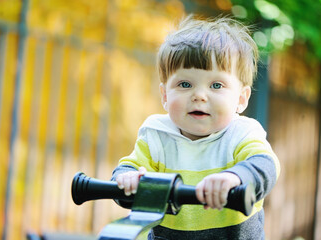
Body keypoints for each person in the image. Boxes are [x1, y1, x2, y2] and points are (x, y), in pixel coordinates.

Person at [111, 15, 280, 240]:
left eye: (216, 85)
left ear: (241, 98)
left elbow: (265, 166)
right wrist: (128, 180)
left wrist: (235, 177)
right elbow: (126, 172)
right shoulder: (157, 135)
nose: (199, 95)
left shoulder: (242, 134)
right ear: (164, 94)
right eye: (185, 84)